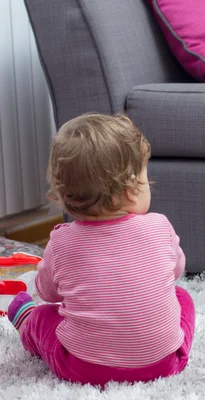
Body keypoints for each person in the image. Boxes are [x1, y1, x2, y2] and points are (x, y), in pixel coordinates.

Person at [7, 114, 194, 386]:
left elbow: (48, 294)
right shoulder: (160, 226)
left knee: (42, 316)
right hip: (166, 363)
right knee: (182, 298)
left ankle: (25, 323)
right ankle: (162, 347)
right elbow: (175, 270)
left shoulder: (61, 242)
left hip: (82, 369)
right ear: (132, 190)